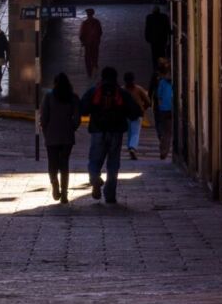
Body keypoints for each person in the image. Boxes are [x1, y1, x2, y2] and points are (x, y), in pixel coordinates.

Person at [79, 66, 143, 204]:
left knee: (94, 160)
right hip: (116, 133)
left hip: (97, 131)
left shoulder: (94, 91)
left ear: (102, 77)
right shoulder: (121, 92)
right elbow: (135, 112)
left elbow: (83, 109)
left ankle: (95, 178)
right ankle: (110, 194)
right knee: (113, 164)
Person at [40, 72, 81, 204]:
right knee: (64, 165)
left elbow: (44, 117)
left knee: (52, 163)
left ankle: (55, 184)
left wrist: (46, 130)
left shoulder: (49, 97)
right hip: (67, 136)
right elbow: (77, 118)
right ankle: (64, 193)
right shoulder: (73, 97)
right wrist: (72, 127)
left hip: (51, 135)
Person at [123, 71, 152, 160]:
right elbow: (148, 101)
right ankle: (132, 148)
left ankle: (130, 148)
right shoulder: (138, 89)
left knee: (129, 132)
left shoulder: (122, 90)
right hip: (137, 113)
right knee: (135, 132)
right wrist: (143, 108)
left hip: (126, 114)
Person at [153, 60, 174, 160]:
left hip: (163, 109)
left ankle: (163, 150)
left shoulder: (162, 82)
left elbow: (158, 95)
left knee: (164, 131)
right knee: (169, 132)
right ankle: (166, 151)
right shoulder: (175, 81)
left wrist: (160, 106)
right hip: (173, 109)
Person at [144, 6, 171, 75]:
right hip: (162, 39)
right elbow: (167, 27)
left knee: (154, 54)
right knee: (162, 52)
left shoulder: (149, 17)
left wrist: (147, 37)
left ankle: (156, 68)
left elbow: (147, 28)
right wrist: (170, 33)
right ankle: (162, 66)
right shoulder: (164, 17)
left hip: (154, 40)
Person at [78, 8, 103, 80]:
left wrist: (83, 41)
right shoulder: (97, 22)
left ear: (87, 14)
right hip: (95, 43)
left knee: (88, 57)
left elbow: (81, 34)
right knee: (95, 55)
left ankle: (89, 71)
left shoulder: (85, 23)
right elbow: (100, 32)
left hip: (87, 43)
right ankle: (95, 67)